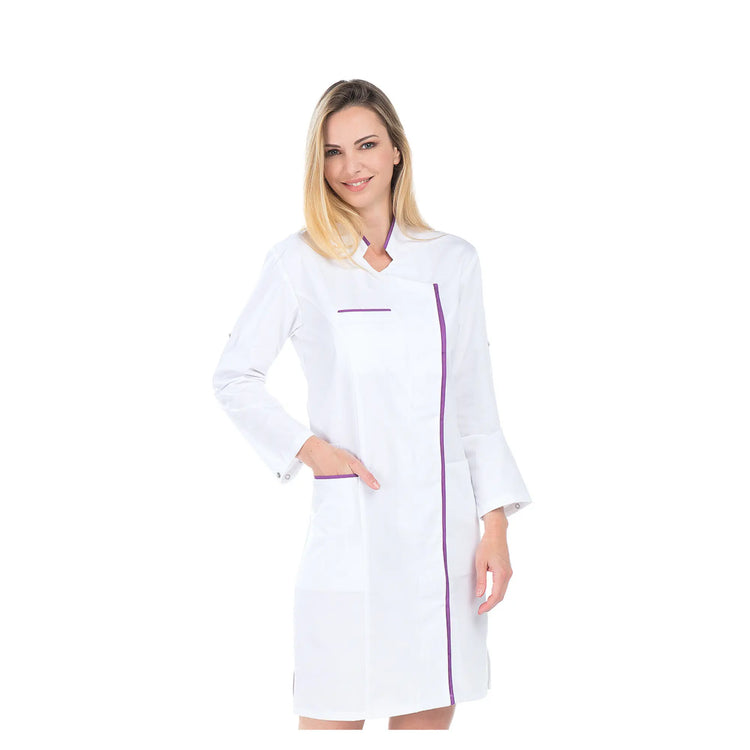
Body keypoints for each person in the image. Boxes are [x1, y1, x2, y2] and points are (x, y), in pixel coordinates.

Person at [211, 79, 532, 730]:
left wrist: (495, 529)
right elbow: (235, 376)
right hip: (351, 533)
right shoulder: (299, 262)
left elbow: (475, 405)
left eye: (365, 145)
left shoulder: (452, 262)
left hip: (441, 547)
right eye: (333, 151)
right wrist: (309, 449)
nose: (350, 166)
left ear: (395, 151)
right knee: (331, 713)